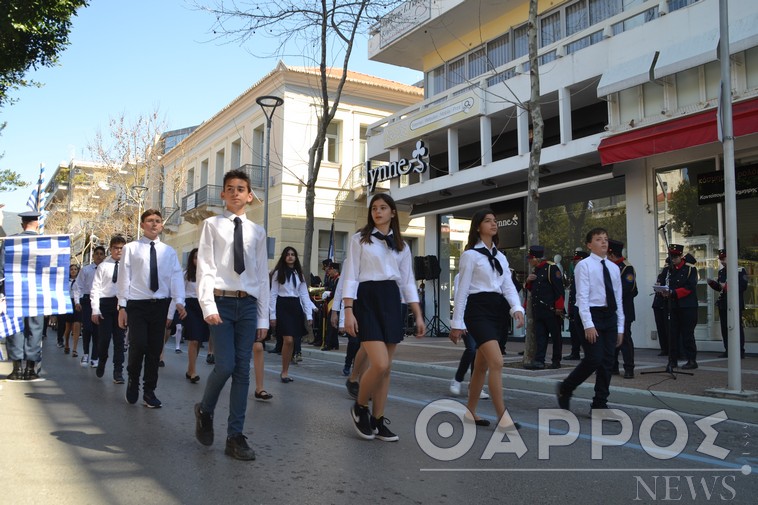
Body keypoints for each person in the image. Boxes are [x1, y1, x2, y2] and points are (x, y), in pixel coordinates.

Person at [193, 169, 269, 461]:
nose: (235, 192)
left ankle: (234, 436)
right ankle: (205, 410)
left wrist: (263, 317)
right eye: (230, 188)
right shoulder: (211, 225)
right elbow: (205, 267)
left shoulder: (257, 232)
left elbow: (261, 276)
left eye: (241, 188)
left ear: (249, 196)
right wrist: (208, 305)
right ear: (223, 194)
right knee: (225, 364)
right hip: (221, 302)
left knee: (242, 371)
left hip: (248, 304)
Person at [343, 193, 425, 441]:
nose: (377, 212)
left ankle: (378, 421)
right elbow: (350, 275)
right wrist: (348, 310)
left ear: (392, 212)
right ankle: (360, 408)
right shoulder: (360, 239)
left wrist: (418, 314)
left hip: (392, 300)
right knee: (379, 363)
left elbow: (408, 282)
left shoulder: (402, 246)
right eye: (374, 208)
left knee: (386, 369)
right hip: (367, 298)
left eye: (383, 208)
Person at [449, 209, 525, 430]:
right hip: (477, 311)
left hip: (496, 311)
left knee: (481, 366)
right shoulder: (470, 255)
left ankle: (470, 413)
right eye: (488, 221)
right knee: (497, 362)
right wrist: (457, 324)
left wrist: (516, 308)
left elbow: (507, 286)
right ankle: (503, 418)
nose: (493, 224)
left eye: (494, 221)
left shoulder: (500, 257)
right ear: (478, 226)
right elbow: (462, 291)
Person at [117, 209, 186, 408]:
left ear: (161, 225)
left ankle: (149, 391)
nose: (154, 224)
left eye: (157, 220)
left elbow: (175, 277)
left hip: (160, 304)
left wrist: (179, 301)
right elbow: (124, 278)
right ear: (142, 225)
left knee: (155, 349)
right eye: (149, 220)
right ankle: (133, 379)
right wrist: (122, 306)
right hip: (137, 304)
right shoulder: (131, 248)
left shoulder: (169, 251)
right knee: (138, 344)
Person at [556, 228, 624, 417]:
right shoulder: (584, 266)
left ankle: (599, 405)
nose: (604, 242)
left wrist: (620, 327)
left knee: (608, 361)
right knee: (594, 358)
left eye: (606, 239)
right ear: (589, 245)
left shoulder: (613, 268)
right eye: (598, 239)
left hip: (609, 315)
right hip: (590, 314)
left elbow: (618, 299)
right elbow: (582, 297)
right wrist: (588, 325)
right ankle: (566, 387)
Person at [3, 211, 46, 381]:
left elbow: (2, 269)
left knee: (15, 328)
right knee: (35, 329)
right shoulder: (46, 242)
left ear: (22, 224)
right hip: (37, 293)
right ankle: (30, 369)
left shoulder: (10, 241)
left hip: (14, 291)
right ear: (37, 224)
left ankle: (17, 369)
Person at [269, 246, 312, 382]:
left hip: (295, 306)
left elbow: (304, 294)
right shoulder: (278, 273)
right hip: (282, 305)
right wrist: (272, 315)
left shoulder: (299, 274)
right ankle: (284, 371)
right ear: (284, 257)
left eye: (293, 254)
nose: (290, 256)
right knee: (288, 339)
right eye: (287, 254)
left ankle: (285, 371)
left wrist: (309, 314)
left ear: (296, 257)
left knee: (292, 340)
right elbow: (273, 294)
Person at [91, 236, 127, 383]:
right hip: (105, 304)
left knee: (119, 340)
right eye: (116, 248)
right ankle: (102, 360)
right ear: (111, 249)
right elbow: (95, 288)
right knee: (104, 339)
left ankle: (118, 371)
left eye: (121, 248)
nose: (119, 251)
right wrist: (95, 310)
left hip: (121, 305)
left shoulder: (129, 266)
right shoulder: (103, 266)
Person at [449, 273, 491, 400]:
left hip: (481, 319)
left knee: (480, 352)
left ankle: (474, 387)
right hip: (466, 319)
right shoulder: (461, 276)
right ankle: (457, 379)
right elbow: (459, 299)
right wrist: (459, 324)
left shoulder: (484, 274)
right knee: (471, 349)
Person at [523, 245, 565, 370]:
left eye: (531, 258)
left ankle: (556, 360)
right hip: (539, 310)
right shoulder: (536, 270)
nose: (529, 261)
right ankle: (539, 360)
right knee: (541, 337)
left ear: (536, 258)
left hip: (551, 310)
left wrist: (559, 307)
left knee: (556, 336)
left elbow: (559, 289)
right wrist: (528, 281)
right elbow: (532, 289)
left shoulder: (551, 268)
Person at [662, 244, 698, 370]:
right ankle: (672, 360)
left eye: (676, 257)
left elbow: (690, 287)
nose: (673, 259)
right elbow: (662, 282)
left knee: (687, 334)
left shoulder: (690, 269)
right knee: (672, 334)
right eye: (671, 257)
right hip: (672, 306)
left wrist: (674, 292)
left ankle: (691, 360)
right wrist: (662, 290)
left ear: (681, 256)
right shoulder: (668, 270)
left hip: (687, 306)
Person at [708, 248, 747, 359]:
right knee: (725, 328)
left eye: (724, 259)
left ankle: (740, 351)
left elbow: (743, 286)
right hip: (724, 303)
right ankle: (728, 350)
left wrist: (726, 287)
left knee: (736, 327)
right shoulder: (721, 272)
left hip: (735, 303)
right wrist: (713, 284)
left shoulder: (740, 270)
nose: (722, 261)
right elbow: (721, 288)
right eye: (721, 259)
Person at [608, 239, 638, 379]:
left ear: (612, 254)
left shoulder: (626, 268)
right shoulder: (608, 266)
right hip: (610, 310)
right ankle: (613, 366)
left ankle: (629, 368)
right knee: (611, 339)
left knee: (625, 339)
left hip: (623, 309)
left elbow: (629, 289)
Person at [73, 245, 106, 368]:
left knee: (98, 331)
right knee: (87, 328)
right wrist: (77, 301)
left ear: (104, 256)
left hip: (101, 301)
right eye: (97, 254)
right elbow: (78, 286)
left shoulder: (106, 270)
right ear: (93, 256)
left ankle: (95, 356)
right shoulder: (86, 270)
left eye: (101, 254)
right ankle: (86, 353)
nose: (99, 256)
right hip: (87, 301)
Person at [183, 248, 210, 383]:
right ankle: (193, 371)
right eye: (195, 257)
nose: (198, 260)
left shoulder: (208, 274)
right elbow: (180, 292)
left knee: (199, 339)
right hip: (190, 307)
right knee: (193, 339)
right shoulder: (186, 274)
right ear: (191, 260)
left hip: (203, 307)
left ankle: (190, 369)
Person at [563, 250, 589, 361]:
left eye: (577, 260)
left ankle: (588, 354)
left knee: (585, 332)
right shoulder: (576, 273)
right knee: (574, 331)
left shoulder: (587, 272)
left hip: (584, 308)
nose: (575, 263)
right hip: (575, 306)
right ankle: (575, 352)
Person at [652, 259, 671, 357]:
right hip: (658, 302)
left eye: (667, 265)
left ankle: (670, 348)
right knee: (660, 327)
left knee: (668, 328)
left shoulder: (672, 274)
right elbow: (658, 284)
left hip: (667, 303)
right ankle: (664, 348)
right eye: (665, 264)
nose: (665, 267)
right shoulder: (661, 275)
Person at [63, 264, 82, 357]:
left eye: (75, 269)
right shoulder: (65, 281)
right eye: (71, 269)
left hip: (78, 303)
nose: (73, 271)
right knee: (68, 327)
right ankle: (66, 343)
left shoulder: (80, 281)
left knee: (77, 325)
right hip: (68, 303)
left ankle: (74, 348)